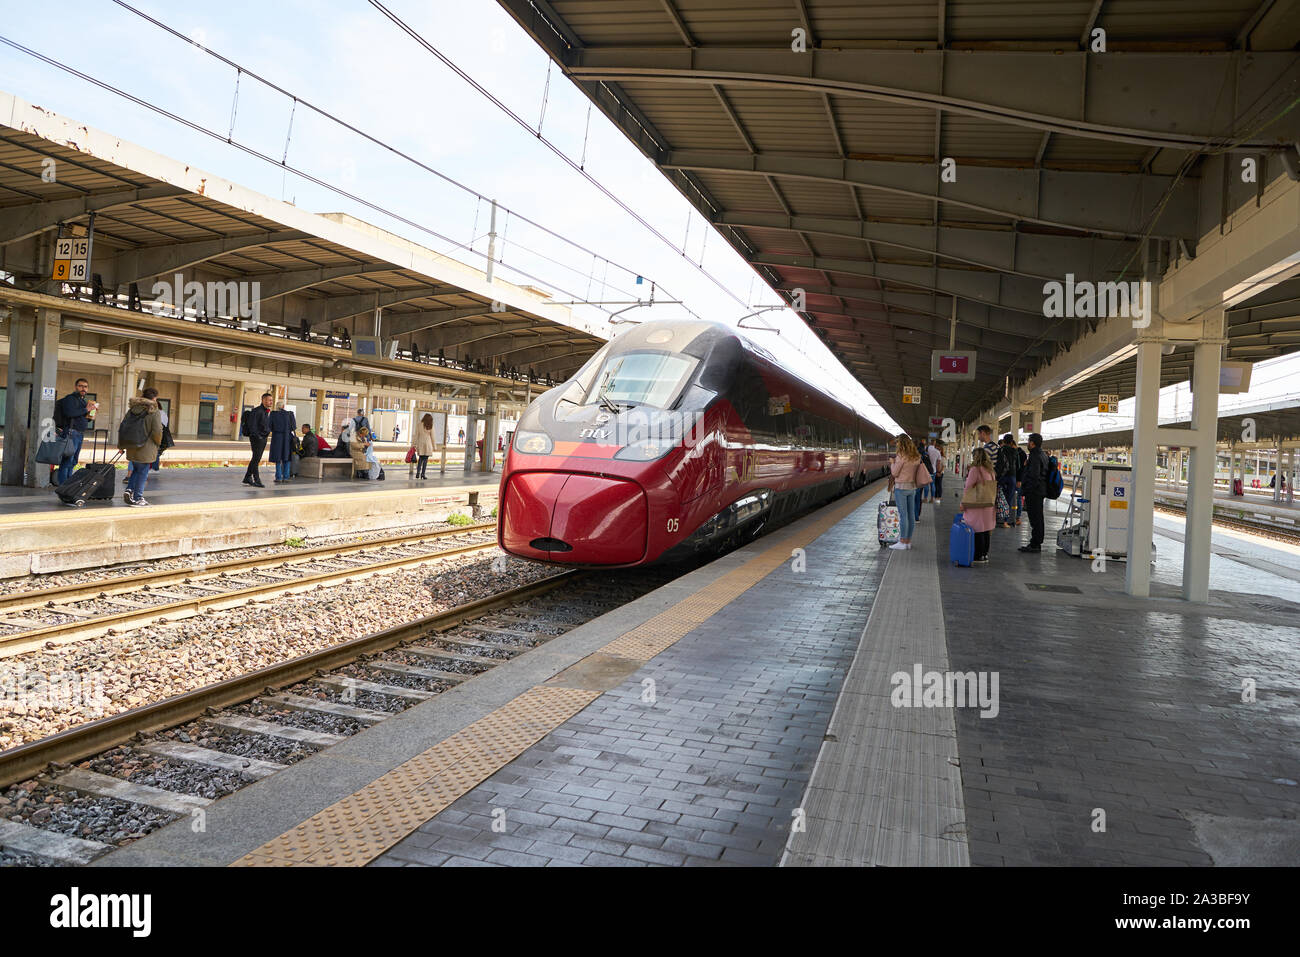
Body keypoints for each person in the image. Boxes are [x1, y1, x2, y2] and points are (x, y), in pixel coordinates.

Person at [118, 388, 163, 507]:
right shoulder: (154, 411)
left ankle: (129, 490)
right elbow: (157, 431)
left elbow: (123, 427)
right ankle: (138, 498)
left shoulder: (132, 409)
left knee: (136, 470)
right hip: (146, 447)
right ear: (154, 398)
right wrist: (158, 443)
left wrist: (122, 445)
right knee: (143, 472)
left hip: (132, 445)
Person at [888, 434, 930, 551]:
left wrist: (892, 462)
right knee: (911, 515)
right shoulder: (916, 456)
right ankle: (908, 541)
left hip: (901, 488)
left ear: (901, 444)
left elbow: (895, 473)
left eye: (897, 443)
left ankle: (902, 541)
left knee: (903, 515)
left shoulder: (901, 456)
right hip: (912, 488)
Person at [961, 447, 997, 564]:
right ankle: (985, 554)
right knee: (986, 529)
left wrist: (963, 503)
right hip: (989, 503)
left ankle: (978, 555)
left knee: (977, 529)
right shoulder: (990, 470)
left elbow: (968, 487)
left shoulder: (975, 470)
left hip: (977, 504)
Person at [53, 378, 91, 486]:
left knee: (74, 461)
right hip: (71, 433)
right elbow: (70, 413)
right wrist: (86, 410)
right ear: (76, 387)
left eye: (85, 386)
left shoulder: (83, 401)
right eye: (81, 386)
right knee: (67, 461)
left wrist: (90, 415)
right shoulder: (70, 399)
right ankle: (63, 486)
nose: (83, 388)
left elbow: (81, 417)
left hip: (79, 434)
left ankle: (69, 485)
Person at [1018, 432, 1049, 553]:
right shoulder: (1043, 454)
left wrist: (1028, 490)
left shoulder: (1035, 456)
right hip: (1039, 491)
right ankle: (1036, 542)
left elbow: (1034, 475)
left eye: (1028, 441)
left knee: (1035, 518)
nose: (1027, 443)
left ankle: (1035, 544)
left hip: (1034, 492)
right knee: (1038, 517)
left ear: (1032, 443)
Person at [242, 393, 272, 488]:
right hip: (257, 439)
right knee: (256, 459)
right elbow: (252, 425)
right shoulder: (257, 411)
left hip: (263, 438)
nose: (271, 402)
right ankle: (257, 480)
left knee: (256, 459)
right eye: (269, 400)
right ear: (263, 400)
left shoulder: (266, 412)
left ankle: (247, 477)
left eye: (271, 400)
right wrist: (258, 436)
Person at [995, 435, 1020, 528]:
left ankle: (994, 519)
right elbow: (1018, 466)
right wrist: (1019, 479)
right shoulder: (1015, 451)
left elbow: (998, 464)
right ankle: (1005, 522)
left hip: (1002, 477)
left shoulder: (1000, 450)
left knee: (998, 497)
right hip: (1012, 477)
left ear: (1004, 441)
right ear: (1011, 442)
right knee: (1008, 499)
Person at [269, 402, 298, 483]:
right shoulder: (290, 414)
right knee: (287, 457)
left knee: (277, 458)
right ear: (283, 406)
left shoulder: (273, 414)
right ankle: (286, 477)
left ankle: (278, 477)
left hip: (276, 438)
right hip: (287, 438)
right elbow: (294, 427)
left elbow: (269, 426)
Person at [412, 413, 436, 479]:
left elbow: (416, 435)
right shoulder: (431, 425)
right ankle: (423, 474)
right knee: (425, 460)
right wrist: (434, 447)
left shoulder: (419, 425)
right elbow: (433, 437)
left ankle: (417, 473)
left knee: (420, 459)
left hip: (420, 444)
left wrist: (413, 444)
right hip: (428, 444)